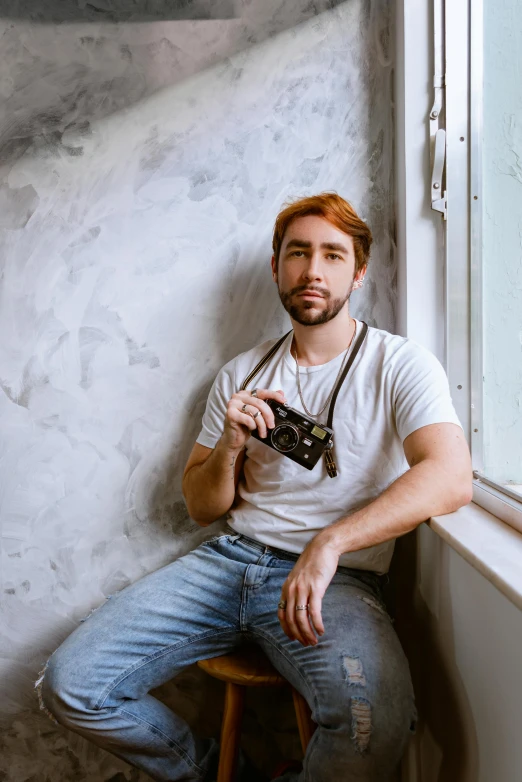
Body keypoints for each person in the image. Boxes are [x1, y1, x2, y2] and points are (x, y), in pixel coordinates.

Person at [38, 193, 473, 781]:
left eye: (332, 255)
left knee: (377, 725)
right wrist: (230, 447)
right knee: (72, 684)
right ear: (277, 266)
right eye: (297, 253)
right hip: (226, 561)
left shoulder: (400, 365)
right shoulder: (240, 373)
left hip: (336, 580)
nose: (312, 270)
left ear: (359, 271)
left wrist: (329, 544)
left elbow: (449, 476)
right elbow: (200, 507)